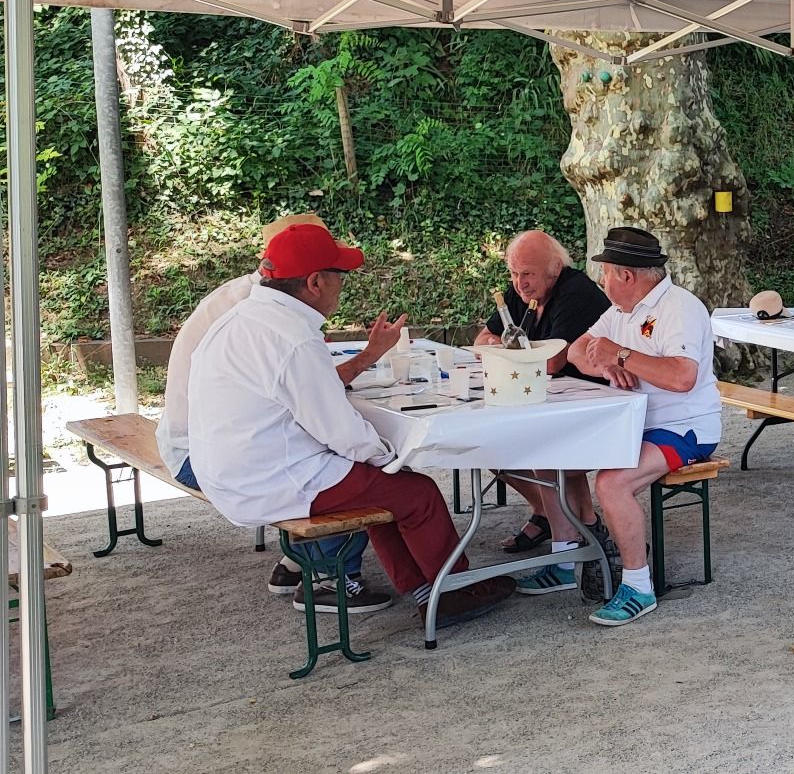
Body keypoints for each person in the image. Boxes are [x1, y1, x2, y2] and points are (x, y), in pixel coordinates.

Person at [188, 224, 514, 625]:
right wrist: (390, 457)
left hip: (231, 467)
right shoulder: (292, 337)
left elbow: (315, 400)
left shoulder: (245, 318)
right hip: (268, 475)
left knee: (386, 487)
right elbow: (340, 430)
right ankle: (453, 591)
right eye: (340, 276)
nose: (342, 287)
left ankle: (424, 589)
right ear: (315, 282)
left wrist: (381, 458)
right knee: (417, 492)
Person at [159, 212, 402, 612]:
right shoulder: (268, 311)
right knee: (346, 459)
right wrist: (385, 457)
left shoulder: (254, 295)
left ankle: (297, 562)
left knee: (332, 447)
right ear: (313, 276)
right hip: (202, 456)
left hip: (208, 445)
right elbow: (318, 409)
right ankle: (329, 578)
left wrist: (365, 358)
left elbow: (294, 389)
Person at [563, 227, 723, 626]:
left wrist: (621, 355)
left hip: (684, 427)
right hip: (633, 422)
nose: (602, 281)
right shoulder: (621, 311)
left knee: (611, 483)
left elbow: (682, 377)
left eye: (605, 273)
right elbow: (576, 351)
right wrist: (610, 366)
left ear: (626, 275)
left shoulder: (679, 308)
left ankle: (638, 586)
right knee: (559, 456)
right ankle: (566, 558)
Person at [480, 231, 613, 565]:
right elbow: (483, 339)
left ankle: (568, 546)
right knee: (489, 445)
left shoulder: (575, 292)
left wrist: (505, 352)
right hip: (548, 399)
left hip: (595, 404)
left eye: (527, 273)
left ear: (554, 268)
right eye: (513, 273)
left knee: (540, 447)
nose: (519, 283)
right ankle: (558, 516)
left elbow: (553, 362)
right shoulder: (520, 292)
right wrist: (510, 350)